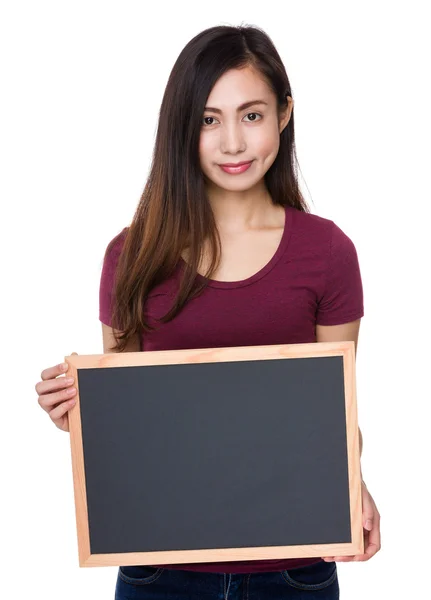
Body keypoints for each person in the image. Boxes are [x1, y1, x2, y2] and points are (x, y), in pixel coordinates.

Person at [35, 23, 381, 600]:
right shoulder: (132, 255)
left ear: (284, 114)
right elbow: (124, 424)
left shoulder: (327, 253)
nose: (233, 145)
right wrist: (76, 414)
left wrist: (354, 486)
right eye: (209, 120)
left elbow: (334, 412)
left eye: (251, 115)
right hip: (158, 570)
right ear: (183, 129)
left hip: (293, 568)